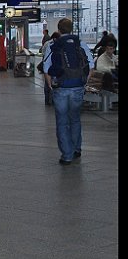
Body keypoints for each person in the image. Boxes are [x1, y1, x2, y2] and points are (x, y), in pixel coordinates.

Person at [42, 18, 95, 165]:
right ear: (71, 29)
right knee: (75, 119)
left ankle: (67, 155)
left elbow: (46, 69)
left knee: (62, 121)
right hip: (77, 87)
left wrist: (51, 85)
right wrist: (84, 83)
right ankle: (77, 148)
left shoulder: (53, 45)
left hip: (61, 88)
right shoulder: (81, 44)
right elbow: (91, 66)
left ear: (59, 30)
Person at [40, 32, 60, 105]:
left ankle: (47, 100)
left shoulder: (47, 43)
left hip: (48, 66)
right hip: (55, 67)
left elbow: (42, 52)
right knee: (55, 84)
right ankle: (53, 101)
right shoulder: (59, 44)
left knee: (47, 84)